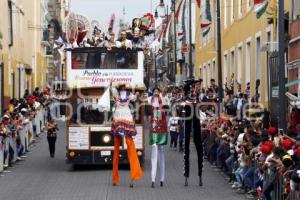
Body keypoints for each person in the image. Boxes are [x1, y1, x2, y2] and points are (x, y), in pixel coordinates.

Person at [111, 83, 143, 188]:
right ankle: (115, 178)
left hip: (126, 117)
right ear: (120, 87)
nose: (123, 88)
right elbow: (111, 88)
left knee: (130, 144)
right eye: (122, 86)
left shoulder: (129, 94)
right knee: (116, 147)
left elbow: (133, 98)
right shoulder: (116, 93)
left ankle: (134, 174)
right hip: (118, 117)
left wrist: (137, 93)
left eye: (124, 86)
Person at [181, 79, 203, 187]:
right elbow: (186, 87)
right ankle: (186, 174)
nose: (196, 87)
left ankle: (200, 174)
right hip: (189, 115)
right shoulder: (186, 91)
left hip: (196, 116)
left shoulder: (198, 93)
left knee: (199, 144)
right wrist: (192, 82)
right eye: (194, 85)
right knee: (186, 147)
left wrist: (197, 83)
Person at [148, 87, 168, 188]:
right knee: (154, 149)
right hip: (153, 128)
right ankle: (153, 178)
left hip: (162, 127)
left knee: (161, 150)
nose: (156, 93)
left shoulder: (163, 100)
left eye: (157, 91)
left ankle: (162, 178)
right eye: (155, 91)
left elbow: (166, 111)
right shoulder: (149, 100)